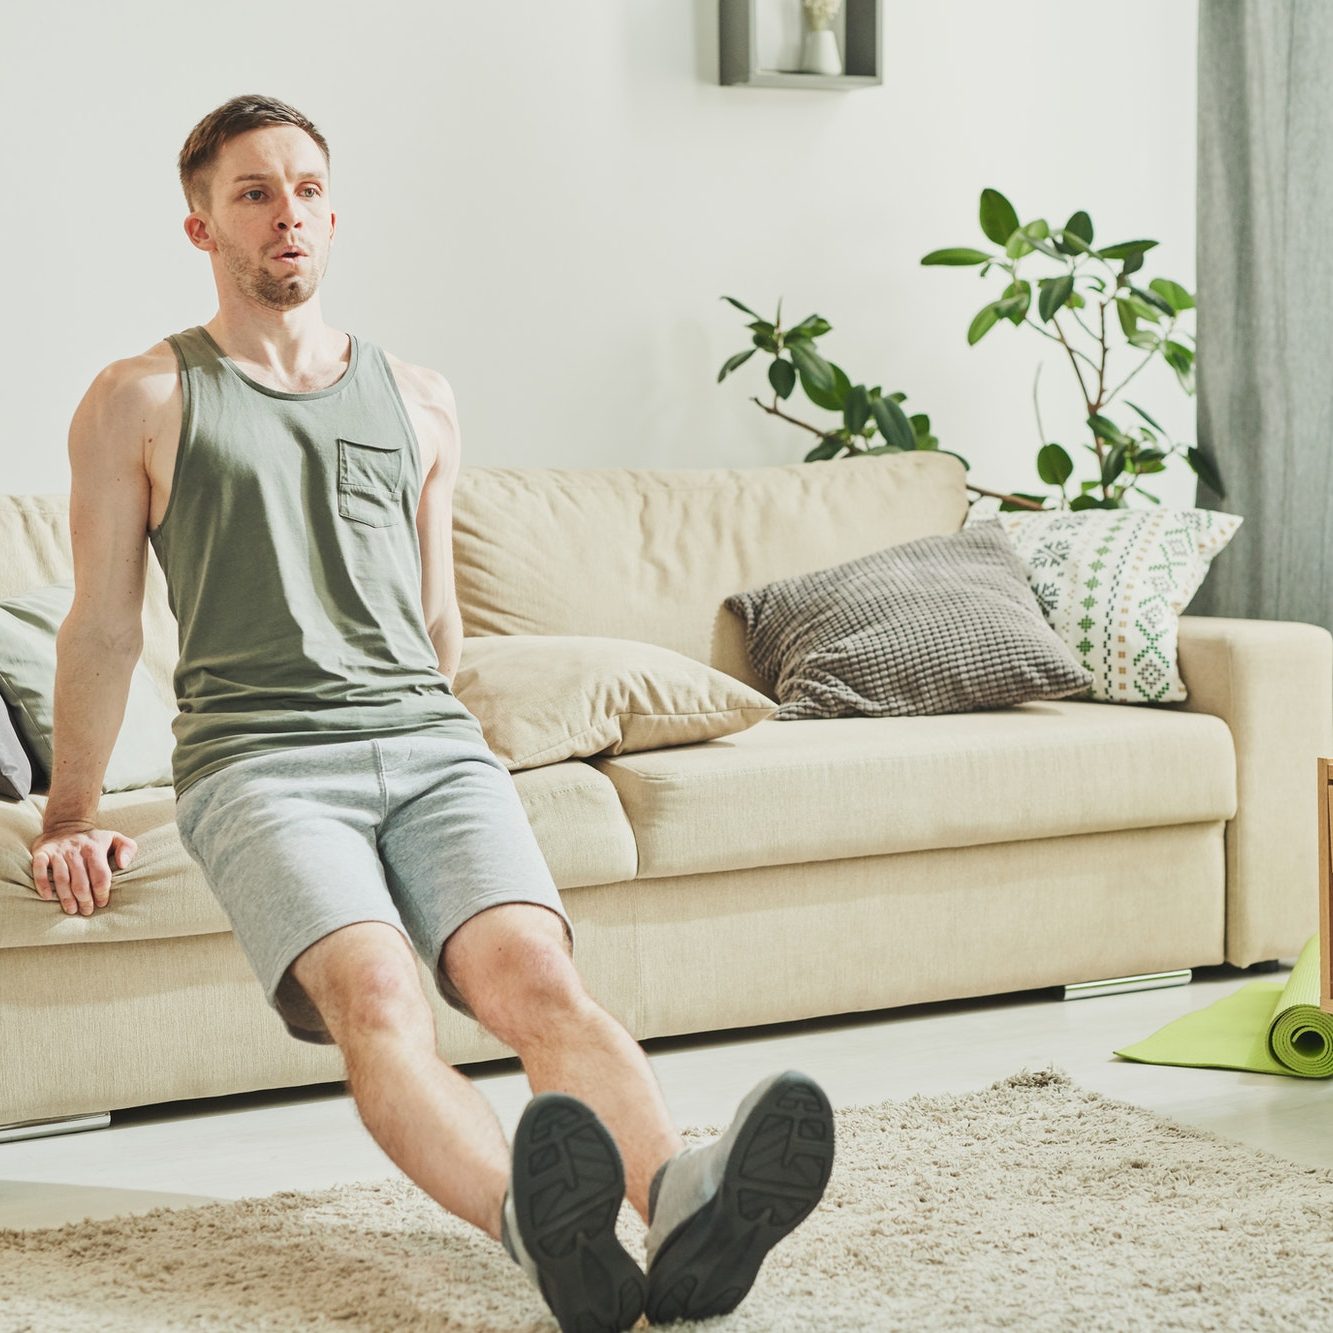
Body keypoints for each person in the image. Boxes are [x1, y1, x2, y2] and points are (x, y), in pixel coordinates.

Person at [26, 93, 835, 1330]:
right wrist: (68, 813)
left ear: (334, 214)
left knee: (536, 982)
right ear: (201, 229)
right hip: (260, 765)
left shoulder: (419, 399)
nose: (284, 211)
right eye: (252, 192)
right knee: (381, 1000)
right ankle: (538, 1232)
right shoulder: (140, 397)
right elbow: (104, 625)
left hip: (429, 749)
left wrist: (469, 754)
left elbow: (439, 623)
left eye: (304, 188)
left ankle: (683, 1207)